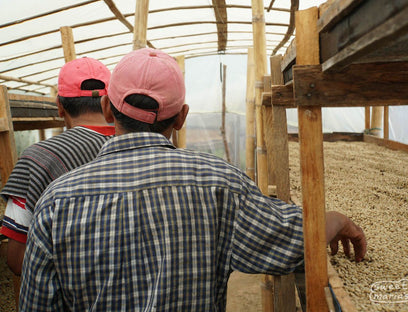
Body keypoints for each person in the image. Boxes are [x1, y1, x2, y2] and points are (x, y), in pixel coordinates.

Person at [19, 48, 366, 311]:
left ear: (108, 108)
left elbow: (36, 303)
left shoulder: (56, 201)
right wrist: (334, 220)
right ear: (182, 117)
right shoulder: (220, 185)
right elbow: (287, 240)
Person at [0, 57, 115, 276]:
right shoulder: (143, 149)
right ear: (110, 103)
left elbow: (17, 259)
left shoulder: (37, 160)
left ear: (60, 106)